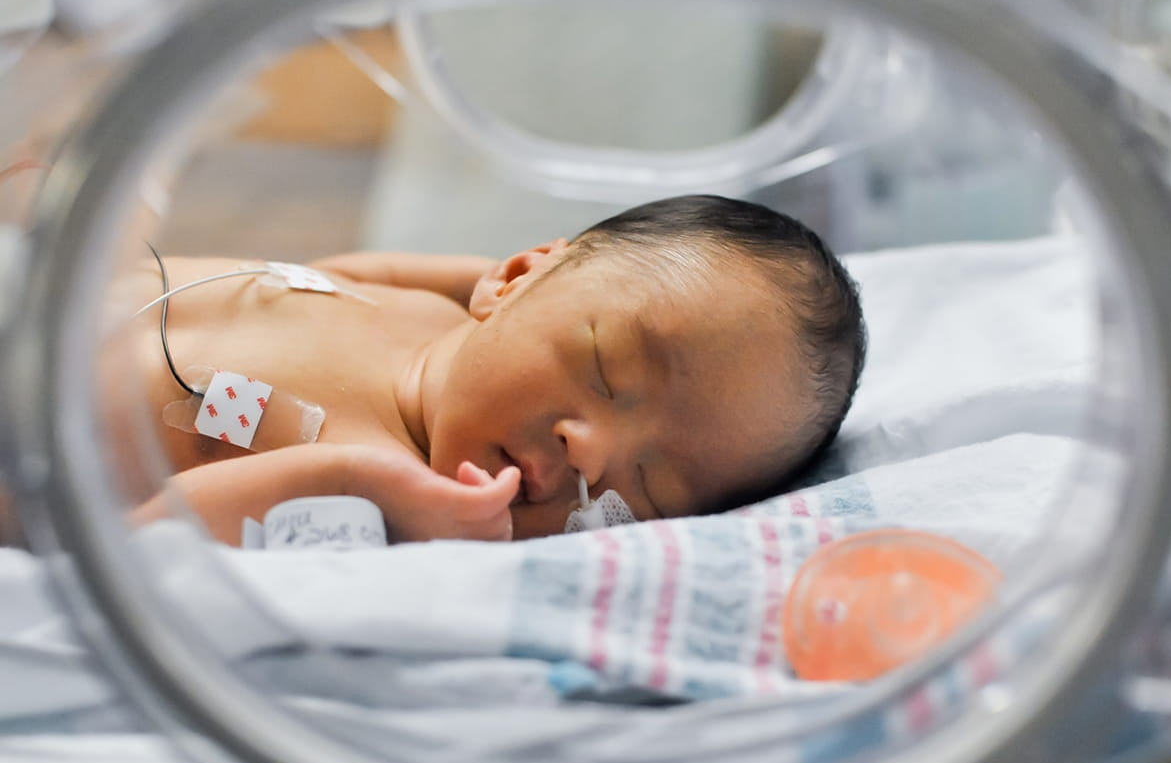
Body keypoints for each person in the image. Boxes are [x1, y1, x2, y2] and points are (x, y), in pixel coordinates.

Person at [121, 195, 867, 545]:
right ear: (511, 280)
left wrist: (351, 484)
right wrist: (499, 282)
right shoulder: (418, 310)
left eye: (651, 484)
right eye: (604, 368)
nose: (593, 451)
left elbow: (145, 539)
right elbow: (328, 274)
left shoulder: (397, 502)